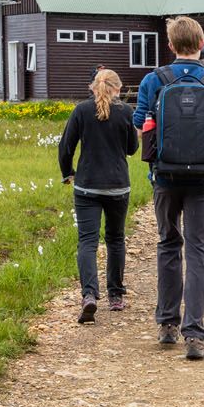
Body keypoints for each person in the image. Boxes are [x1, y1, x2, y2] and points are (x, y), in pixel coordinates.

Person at [133, 16, 204, 360]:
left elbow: (140, 125)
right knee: (198, 251)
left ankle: (166, 326)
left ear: (171, 45)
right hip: (203, 178)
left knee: (167, 243)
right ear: (201, 43)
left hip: (164, 176)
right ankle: (194, 335)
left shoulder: (154, 80)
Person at [58, 68, 138, 324]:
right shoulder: (126, 112)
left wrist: (67, 172)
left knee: (88, 242)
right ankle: (115, 295)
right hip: (117, 186)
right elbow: (131, 149)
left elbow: (66, 146)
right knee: (115, 239)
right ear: (118, 88)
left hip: (87, 186)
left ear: (93, 87)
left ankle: (89, 295)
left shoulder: (81, 110)